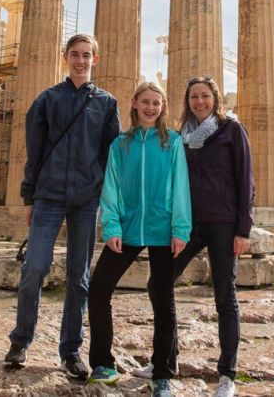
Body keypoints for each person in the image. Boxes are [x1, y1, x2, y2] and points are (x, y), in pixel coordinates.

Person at [4, 34, 120, 380]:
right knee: (34, 268)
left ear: (94, 60)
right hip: (49, 196)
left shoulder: (106, 103)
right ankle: (21, 340)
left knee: (79, 278)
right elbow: (34, 153)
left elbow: (110, 155)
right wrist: (29, 197)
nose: (80, 61)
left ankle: (70, 351)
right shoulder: (47, 100)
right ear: (65, 57)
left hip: (86, 200)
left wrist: (102, 196)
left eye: (86, 56)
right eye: (75, 55)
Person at [135, 75, 254, 397]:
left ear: (214, 98)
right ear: (187, 102)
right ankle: (166, 361)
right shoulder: (179, 137)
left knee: (224, 296)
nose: (199, 102)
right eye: (193, 98)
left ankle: (227, 374)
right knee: (158, 284)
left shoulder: (231, 129)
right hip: (187, 224)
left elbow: (246, 180)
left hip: (222, 222)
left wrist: (244, 229)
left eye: (204, 96)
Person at [85, 82, 191, 397]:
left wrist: (180, 230)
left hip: (163, 230)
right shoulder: (120, 144)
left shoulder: (172, 142)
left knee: (163, 299)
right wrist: (112, 227)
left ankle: (162, 373)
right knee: (99, 288)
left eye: (156, 103)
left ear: (163, 107)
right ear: (134, 104)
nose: (150, 107)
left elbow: (181, 187)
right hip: (128, 229)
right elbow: (112, 188)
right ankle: (103, 364)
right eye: (145, 102)